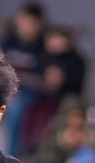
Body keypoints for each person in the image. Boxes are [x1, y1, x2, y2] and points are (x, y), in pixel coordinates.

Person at [18, 27, 86, 155]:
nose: (54, 43)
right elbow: (35, 78)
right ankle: (28, 146)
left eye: (58, 39)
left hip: (65, 97)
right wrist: (47, 82)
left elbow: (77, 82)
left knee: (69, 106)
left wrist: (62, 79)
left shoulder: (75, 60)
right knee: (25, 104)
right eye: (51, 39)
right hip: (43, 97)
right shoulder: (42, 57)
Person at [0, 1, 46, 153]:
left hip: (30, 94)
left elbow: (43, 80)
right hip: (7, 91)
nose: (27, 26)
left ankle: (10, 157)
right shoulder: (8, 42)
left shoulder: (43, 46)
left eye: (32, 22)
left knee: (16, 107)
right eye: (24, 21)